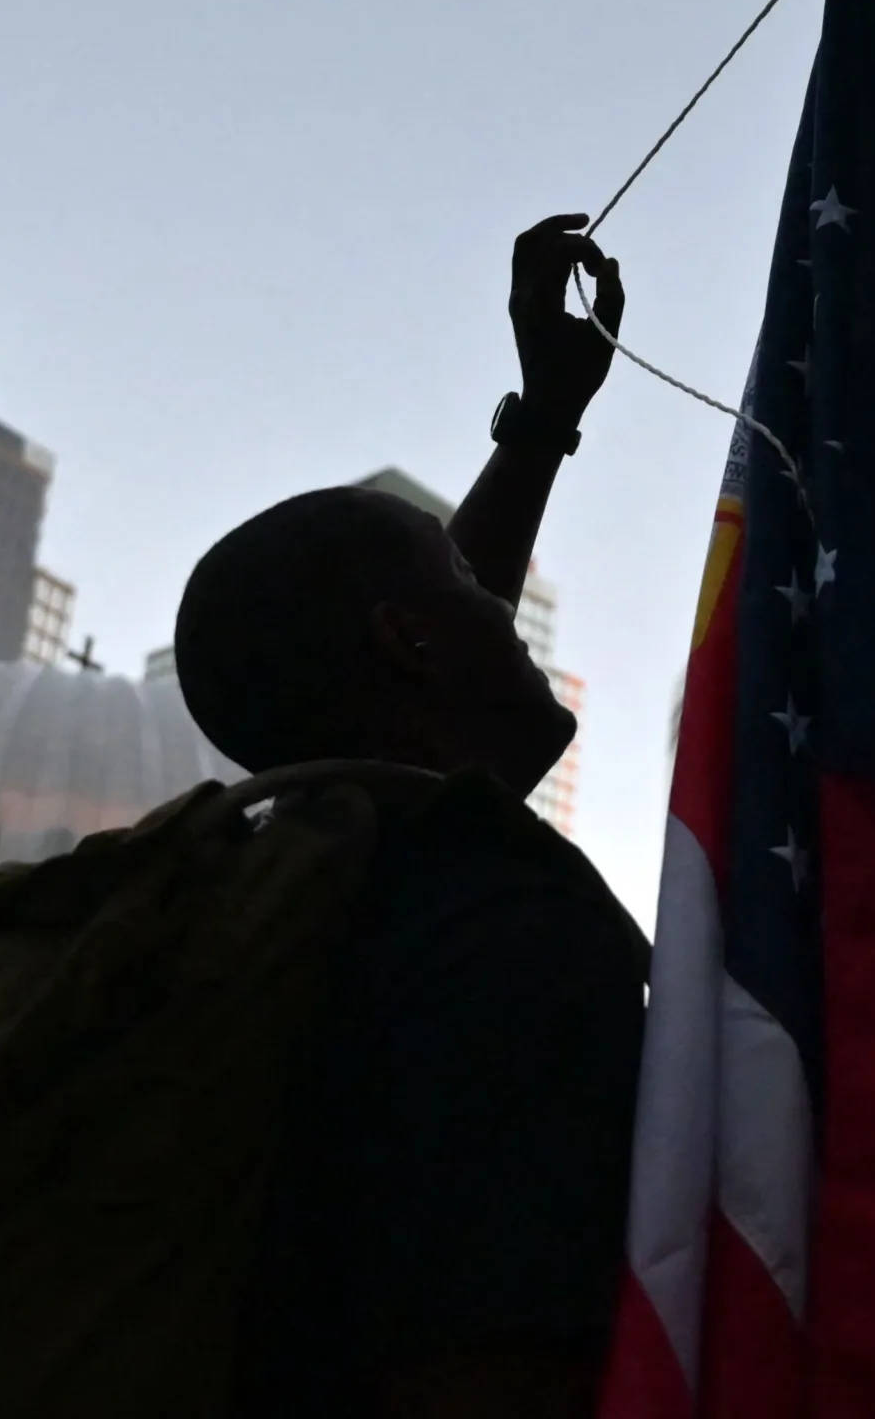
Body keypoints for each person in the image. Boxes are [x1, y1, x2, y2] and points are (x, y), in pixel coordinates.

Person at [173, 211, 647, 1419]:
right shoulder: (503, 927)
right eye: (464, 594)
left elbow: (430, 629)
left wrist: (543, 417)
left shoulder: (277, 911)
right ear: (407, 639)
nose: (502, 608)